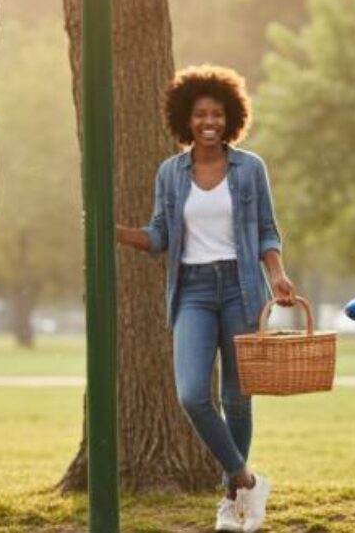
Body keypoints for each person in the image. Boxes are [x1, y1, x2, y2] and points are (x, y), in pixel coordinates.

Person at [116, 65, 295, 533]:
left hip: (242, 287)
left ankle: (232, 503)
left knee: (237, 399)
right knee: (193, 393)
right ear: (186, 119)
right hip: (192, 289)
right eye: (199, 114)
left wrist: (276, 275)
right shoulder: (171, 174)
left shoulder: (250, 168)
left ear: (230, 117)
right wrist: (117, 233)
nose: (208, 122)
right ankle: (245, 479)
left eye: (217, 113)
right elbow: (159, 236)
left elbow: (267, 231)